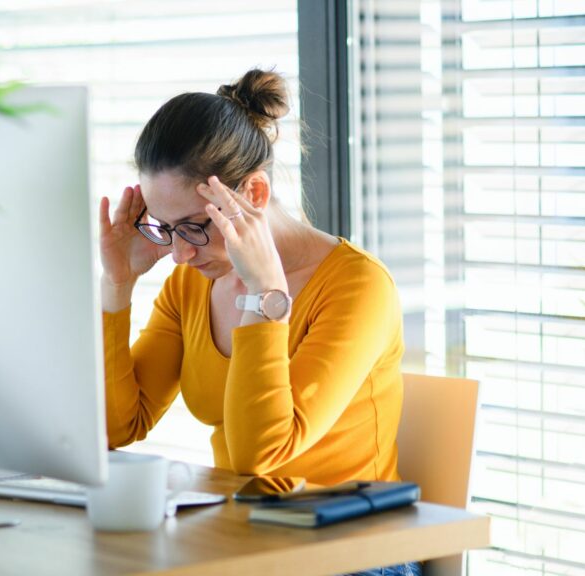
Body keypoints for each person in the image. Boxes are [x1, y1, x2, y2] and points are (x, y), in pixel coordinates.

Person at [98, 69, 419, 576]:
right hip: (244, 541)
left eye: (196, 227)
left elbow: (260, 455)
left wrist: (264, 297)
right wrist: (117, 286)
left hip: (354, 555)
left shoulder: (358, 287)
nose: (180, 254)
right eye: (165, 228)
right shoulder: (193, 282)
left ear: (255, 193)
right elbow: (117, 425)